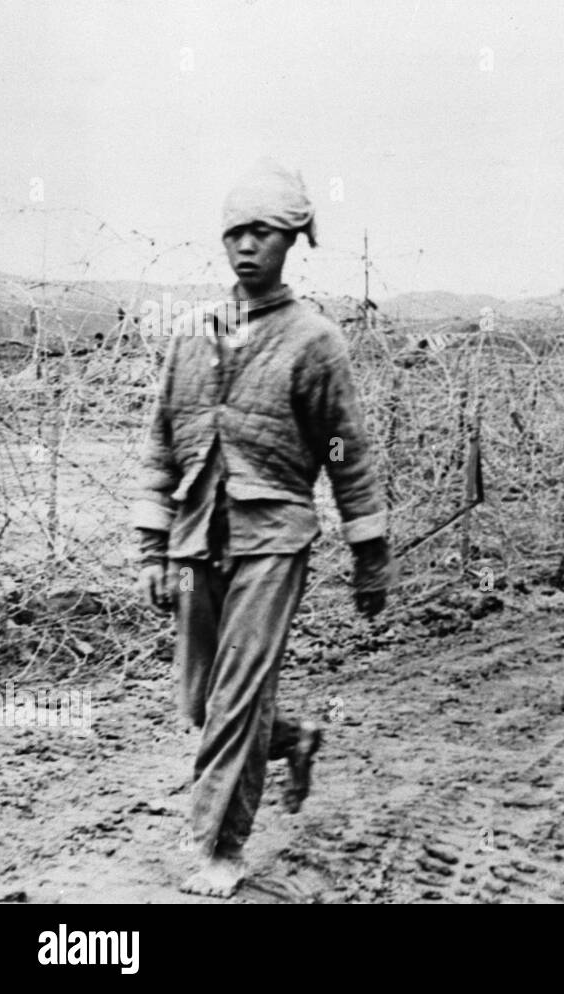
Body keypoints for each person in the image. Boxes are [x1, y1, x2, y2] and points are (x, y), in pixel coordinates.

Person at [133, 160, 393, 897]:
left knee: (239, 694)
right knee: (199, 700)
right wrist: (153, 546)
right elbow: (159, 440)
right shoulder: (192, 334)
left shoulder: (315, 340)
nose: (246, 246)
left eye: (264, 233)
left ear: (293, 240)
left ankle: (219, 847)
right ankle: (295, 738)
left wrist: (370, 557)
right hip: (196, 533)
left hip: (274, 535)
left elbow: (347, 450)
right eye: (235, 233)